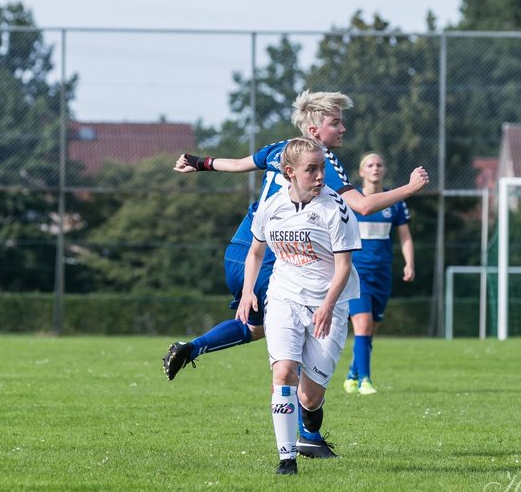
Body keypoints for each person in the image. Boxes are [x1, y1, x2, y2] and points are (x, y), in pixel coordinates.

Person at [162, 90, 429, 398]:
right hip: (274, 256)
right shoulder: (319, 160)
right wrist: (409, 188)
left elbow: (236, 164)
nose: (343, 129)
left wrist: (198, 162)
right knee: (300, 341)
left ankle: (192, 348)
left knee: (256, 329)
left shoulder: (281, 149)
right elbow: (364, 205)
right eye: (336, 123)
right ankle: (307, 433)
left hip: (240, 251)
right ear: (314, 130)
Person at [236, 137, 361, 474]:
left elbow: (344, 266)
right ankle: (286, 459)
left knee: (309, 397)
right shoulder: (272, 206)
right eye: (312, 169)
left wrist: (327, 305)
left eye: (322, 168)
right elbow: (256, 251)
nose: (320, 176)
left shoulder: (335, 209)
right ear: (289, 172)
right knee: (283, 372)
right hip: (284, 298)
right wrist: (249, 291)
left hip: (329, 306)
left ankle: (310, 419)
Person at [342, 152, 414, 395]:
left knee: (370, 330)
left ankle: (352, 374)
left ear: (384, 170)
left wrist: (409, 263)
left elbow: (405, 236)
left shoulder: (394, 201)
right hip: (356, 273)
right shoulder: (351, 200)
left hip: (382, 274)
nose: (375, 168)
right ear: (361, 172)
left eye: (379, 164)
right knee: (361, 327)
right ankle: (365, 381)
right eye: (370, 165)